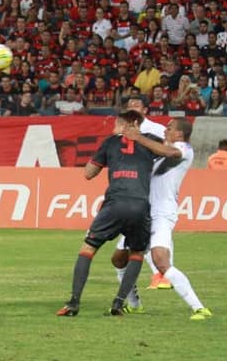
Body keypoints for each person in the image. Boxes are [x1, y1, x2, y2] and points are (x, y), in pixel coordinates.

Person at [57, 110, 157, 317]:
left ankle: (74, 302)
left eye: (116, 125)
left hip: (115, 202)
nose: (113, 129)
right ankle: (119, 303)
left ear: (126, 125)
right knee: (136, 253)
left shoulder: (110, 142)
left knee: (88, 248)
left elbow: (89, 173)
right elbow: (171, 154)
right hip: (141, 204)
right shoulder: (152, 142)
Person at [122, 119, 213, 320]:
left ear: (179, 134)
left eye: (170, 128)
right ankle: (134, 304)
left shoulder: (183, 150)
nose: (166, 130)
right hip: (142, 212)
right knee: (119, 259)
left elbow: (171, 153)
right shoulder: (158, 155)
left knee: (160, 260)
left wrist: (139, 138)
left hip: (162, 213)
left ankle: (199, 308)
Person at [110, 96, 171, 295]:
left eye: (137, 105)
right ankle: (132, 293)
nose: (134, 109)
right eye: (130, 106)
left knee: (153, 232)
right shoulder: (123, 128)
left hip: (152, 186)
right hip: (132, 187)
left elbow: (169, 151)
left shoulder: (157, 130)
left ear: (146, 109)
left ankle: (161, 274)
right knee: (131, 241)